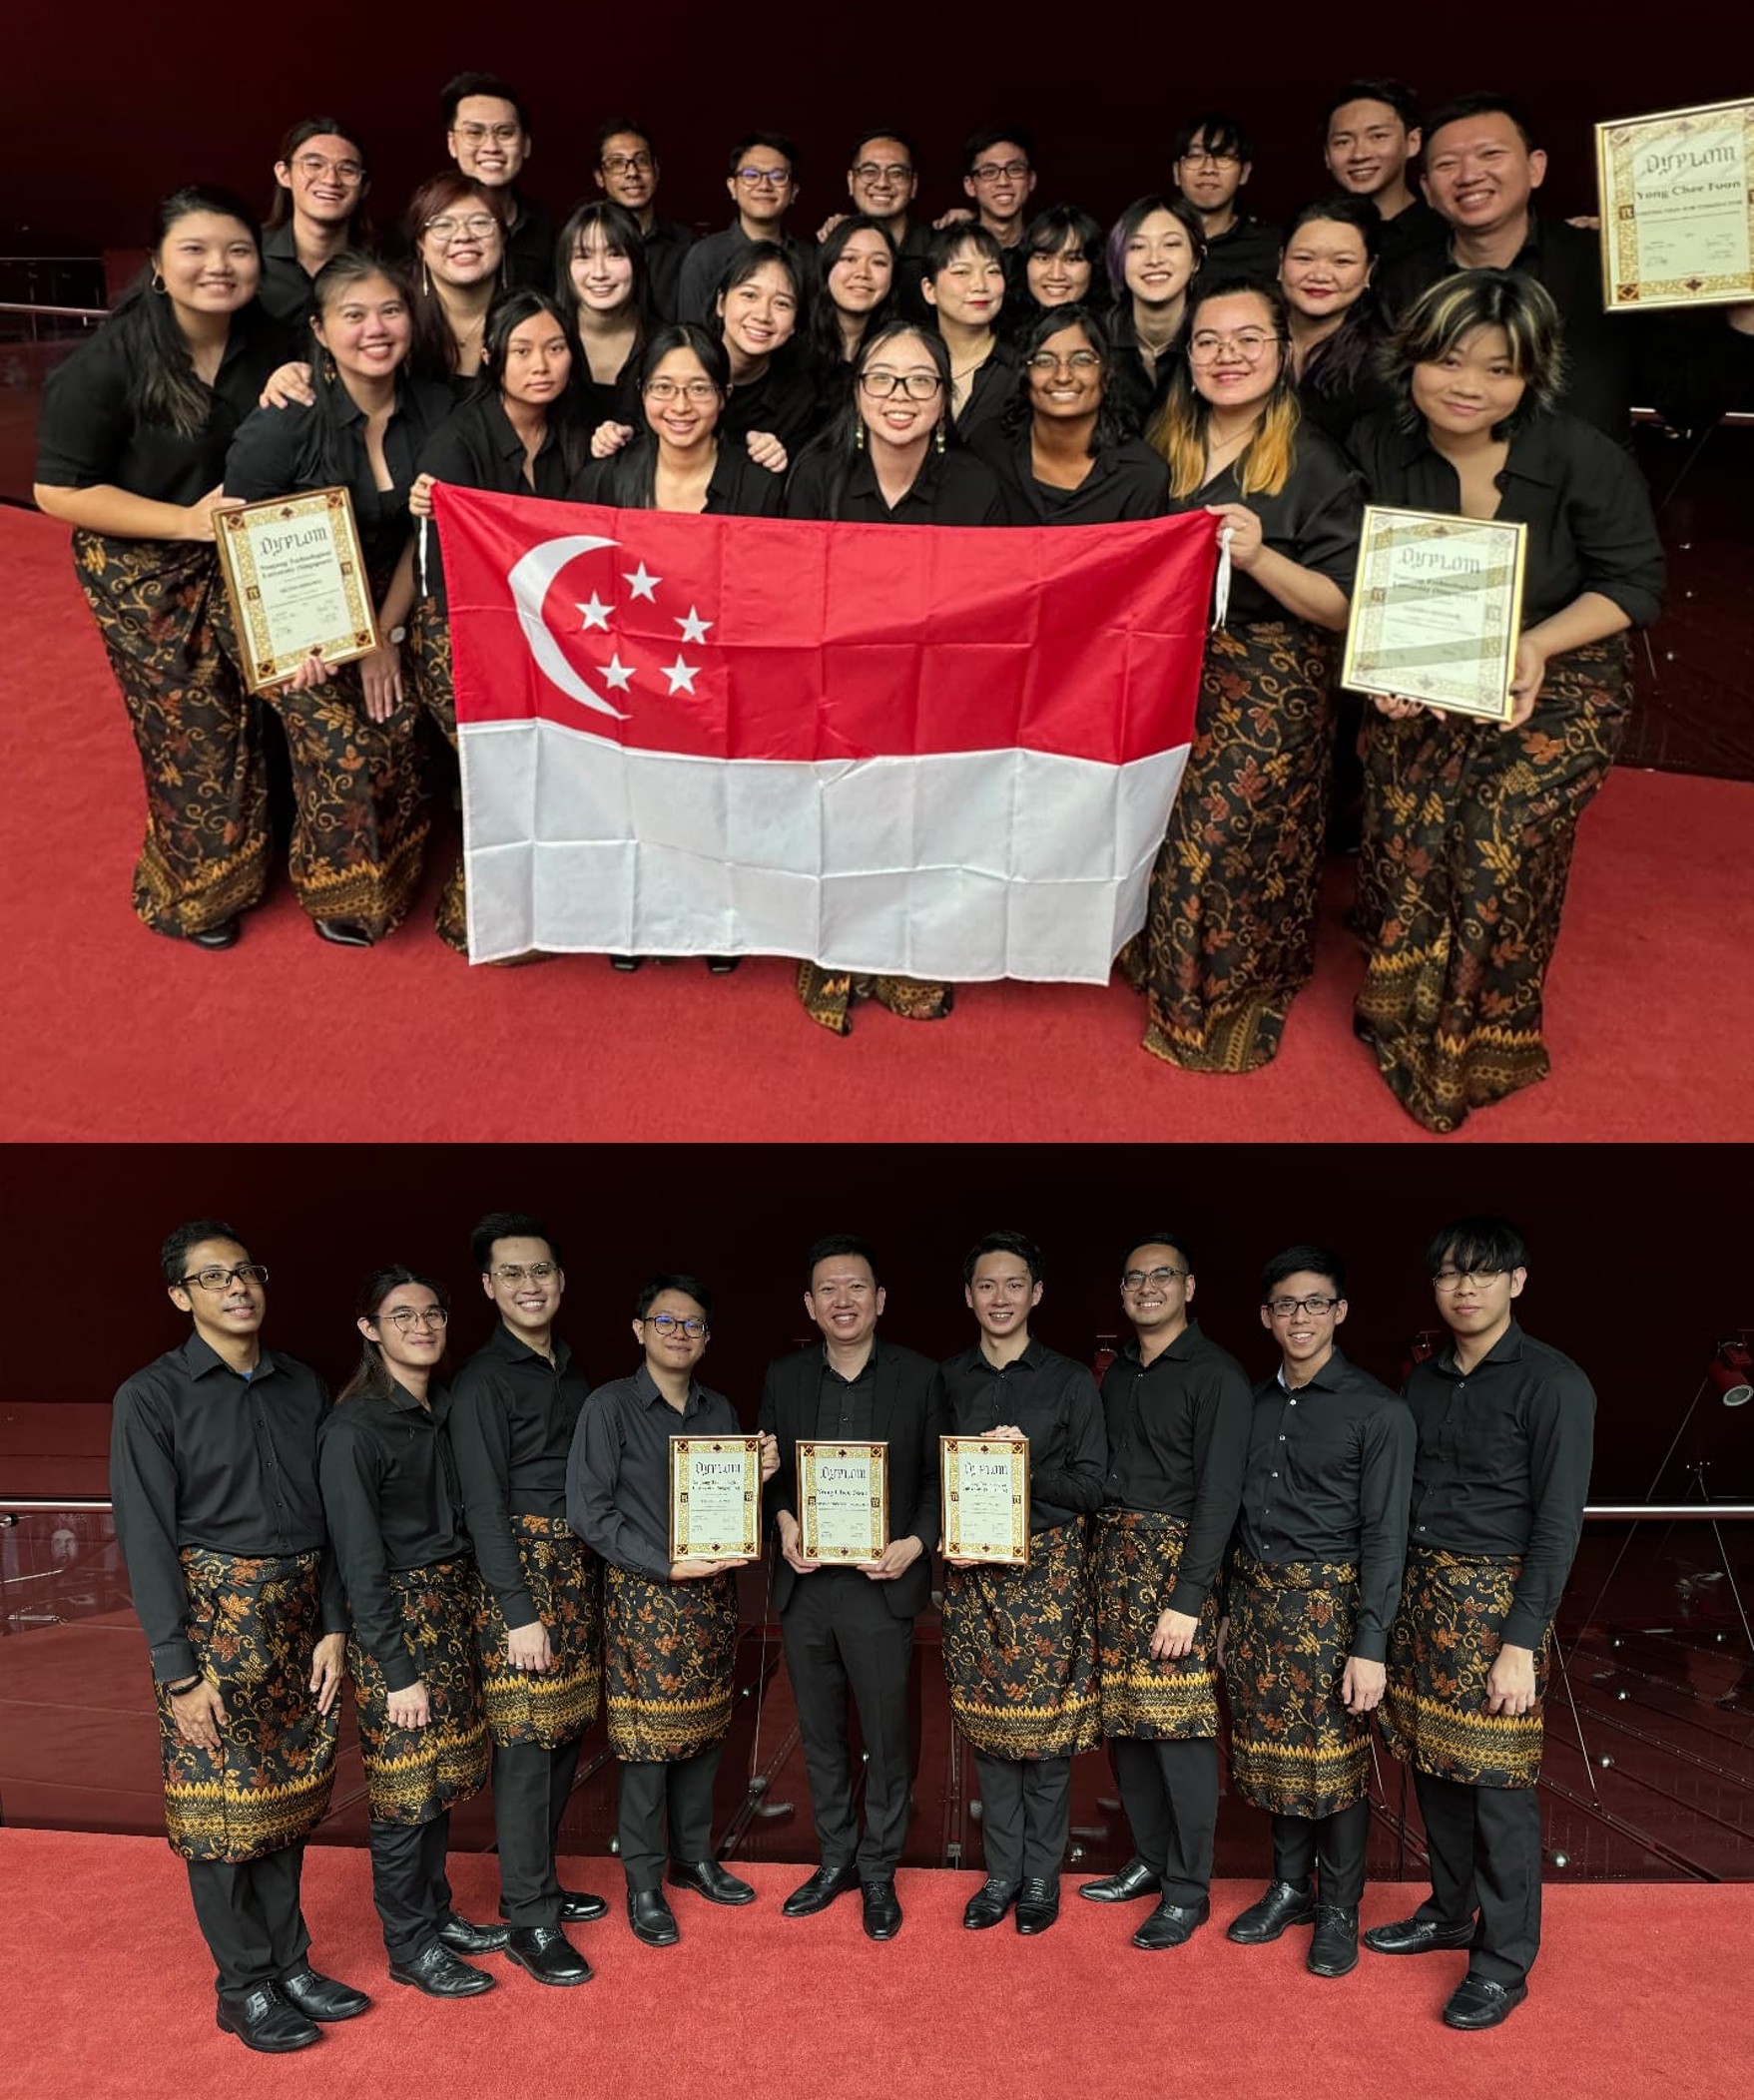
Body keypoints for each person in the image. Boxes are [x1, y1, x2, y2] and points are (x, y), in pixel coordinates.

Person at [1347, 269, 1666, 1131]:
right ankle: (1399, 1004)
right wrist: (1389, 671)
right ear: (1411, 357)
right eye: (1450, 360)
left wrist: (1533, 644)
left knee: (1493, 833)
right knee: (1407, 809)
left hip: (1559, 671)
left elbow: (1634, 583)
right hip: (1431, 673)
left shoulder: (1579, 454)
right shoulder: (1376, 444)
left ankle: (1478, 1040)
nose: (1468, 386)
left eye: (1498, 370)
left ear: (1531, 378)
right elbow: (1368, 576)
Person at [110, 1221, 364, 2053]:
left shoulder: (302, 1384)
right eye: (213, 1277)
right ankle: (243, 1985)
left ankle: (291, 1964)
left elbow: (332, 1519)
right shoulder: (150, 1396)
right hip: (212, 1628)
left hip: (300, 1623)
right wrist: (179, 1673)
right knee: (219, 1815)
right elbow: (145, 1535)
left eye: (247, 1271)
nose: (237, 1287)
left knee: (287, 1806)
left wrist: (335, 1624)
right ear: (180, 1296)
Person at [34, 185, 289, 950]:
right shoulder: (110, 361)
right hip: (143, 568)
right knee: (194, 729)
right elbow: (57, 489)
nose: (219, 267)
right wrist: (182, 523)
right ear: (156, 264)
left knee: (276, 699)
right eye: (196, 250)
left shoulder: (273, 343)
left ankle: (269, 843)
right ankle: (197, 889)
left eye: (238, 250)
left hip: (240, 552)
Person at [1368, 1217, 1594, 2031]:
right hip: (1423, 1604)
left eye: (1483, 1274)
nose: (1465, 1288)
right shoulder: (1422, 1382)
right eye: (1450, 1275)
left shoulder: (1554, 1384)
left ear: (1517, 1282)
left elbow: (1556, 1527)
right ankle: (1448, 1911)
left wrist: (1519, 1645)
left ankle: (1500, 1964)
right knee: (1433, 1769)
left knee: (1497, 1791)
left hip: (1498, 1609)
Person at [1135, 278, 1362, 1072]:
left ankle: (1231, 990)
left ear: (1283, 351)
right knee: (1151, 818)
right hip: (1164, 661)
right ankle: (1162, 957)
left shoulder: (1315, 461)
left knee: (1213, 836)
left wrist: (1261, 555)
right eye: (1207, 341)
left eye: (1246, 340)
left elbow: (1339, 609)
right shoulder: (1156, 442)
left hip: (1274, 666)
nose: (1226, 356)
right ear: (1187, 356)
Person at [786, 320, 1004, 1036]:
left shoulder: (977, 487)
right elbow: (787, 595)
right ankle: (835, 949)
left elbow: (1000, 613)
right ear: (857, 392)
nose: (899, 395)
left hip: (938, 693)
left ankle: (915, 946)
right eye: (881, 378)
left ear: (944, 398)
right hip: (837, 687)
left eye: (919, 380)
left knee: (928, 813)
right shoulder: (817, 476)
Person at [225, 251, 446, 946]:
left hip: (389, 596)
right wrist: (296, 643)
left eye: (390, 311)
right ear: (319, 331)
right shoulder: (285, 419)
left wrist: (383, 634)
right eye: (353, 316)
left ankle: (399, 867)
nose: (375, 330)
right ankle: (335, 888)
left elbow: (424, 535)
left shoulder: (437, 409)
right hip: (283, 611)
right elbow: (242, 542)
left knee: (401, 717)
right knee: (343, 741)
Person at [567, 1276, 781, 1946]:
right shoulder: (608, 1408)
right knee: (645, 1748)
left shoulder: (719, 1410)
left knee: (703, 1738)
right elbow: (589, 1513)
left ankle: (694, 1861)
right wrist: (664, 1563)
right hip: (646, 1599)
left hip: (710, 1598)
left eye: (692, 1324)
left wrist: (758, 1476)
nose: (679, 1333)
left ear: (707, 1338)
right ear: (638, 1330)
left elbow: (725, 1507)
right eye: (665, 1320)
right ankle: (642, 1881)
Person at [1221, 1247, 1414, 1980]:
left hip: (1334, 1614)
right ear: (1265, 1316)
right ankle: (1287, 1890)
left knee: (1335, 1770)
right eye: (1284, 1305)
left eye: (1314, 1303)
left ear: (1339, 1312)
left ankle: (1337, 1907)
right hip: (1259, 1609)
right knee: (1275, 1760)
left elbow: (1385, 1536)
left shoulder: (1377, 1410)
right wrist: (1232, 1612)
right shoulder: (1253, 1403)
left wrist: (1371, 1644)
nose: (1298, 1318)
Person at [317, 1269, 498, 1997]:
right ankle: (409, 1945)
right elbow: (359, 1568)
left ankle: (439, 1915)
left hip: (451, 1614)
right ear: (369, 1329)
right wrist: (396, 1671)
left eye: (432, 1313)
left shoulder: (444, 1409)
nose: (420, 1326)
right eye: (400, 1315)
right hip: (398, 1628)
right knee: (402, 1796)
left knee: (441, 1785)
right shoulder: (354, 1428)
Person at [759, 1235, 944, 1941]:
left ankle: (877, 1870)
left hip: (879, 1585)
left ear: (880, 1300)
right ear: (810, 1304)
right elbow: (768, 1469)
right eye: (828, 1289)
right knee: (820, 1735)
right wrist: (780, 1519)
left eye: (856, 1287)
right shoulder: (784, 1375)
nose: (843, 1300)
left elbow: (933, 1477)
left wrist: (915, 1543)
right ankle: (834, 1858)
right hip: (807, 1587)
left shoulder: (920, 1377)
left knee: (887, 1740)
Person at [1379, 92, 1754, 435]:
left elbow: (1685, 404)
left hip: (1587, 502)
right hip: (1447, 502)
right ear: (1428, 191)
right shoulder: (1401, 284)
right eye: (1447, 164)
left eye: (1490, 154)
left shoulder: (1606, 265)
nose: (1469, 175)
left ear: (1535, 168)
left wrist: (1744, 311)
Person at [446, 1213, 604, 1986]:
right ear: (488, 1287)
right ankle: (528, 1919)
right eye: (511, 1274)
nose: (529, 1285)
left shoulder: (570, 1369)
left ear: (561, 1279)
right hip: (520, 1589)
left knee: (563, 1739)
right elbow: (481, 1505)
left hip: (574, 1578)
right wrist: (518, 1614)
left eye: (539, 1270)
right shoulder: (482, 1379)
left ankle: (536, 1882)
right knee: (526, 1755)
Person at [408, 290, 590, 953]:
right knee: (516, 753)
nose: (540, 364)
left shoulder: (577, 426)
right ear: (491, 359)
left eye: (554, 347)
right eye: (521, 350)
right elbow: (438, 579)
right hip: (464, 627)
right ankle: (484, 914)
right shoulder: (457, 442)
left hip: (555, 627)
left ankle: (568, 896)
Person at [1082, 1235, 1250, 1950]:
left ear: (1188, 1287)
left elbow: (1219, 1498)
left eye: (1161, 1276)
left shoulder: (1216, 1375)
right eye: (1133, 1278)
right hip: (1112, 1565)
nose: (1146, 1288)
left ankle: (1187, 1890)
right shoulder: (1118, 1372)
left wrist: (1188, 1598)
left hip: (1177, 1570)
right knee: (1125, 1725)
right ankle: (1148, 1859)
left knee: (1179, 1734)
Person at [936, 1232, 1106, 1936]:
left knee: (1044, 1738)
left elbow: (1093, 1483)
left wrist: (1021, 1466)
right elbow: (929, 1479)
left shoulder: (1069, 1380)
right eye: (986, 1285)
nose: (999, 1298)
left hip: (1048, 1578)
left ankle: (1041, 1877)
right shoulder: (946, 1379)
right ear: (968, 1295)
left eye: (1014, 1285)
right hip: (972, 1580)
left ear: (1036, 1293)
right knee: (988, 1735)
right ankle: (999, 1873)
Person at [972, 306, 1170, 524]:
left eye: (1081, 360)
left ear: (1107, 373)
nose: (1063, 376)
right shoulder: (988, 448)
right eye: (1045, 361)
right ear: (1026, 374)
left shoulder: (1143, 475)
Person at [573, 323, 786, 517]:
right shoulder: (604, 479)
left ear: (724, 395)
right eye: (663, 387)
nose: (681, 406)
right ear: (642, 392)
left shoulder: (757, 487)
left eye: (699, 389)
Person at [1279, 196, 1392, 443]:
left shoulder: (1381, 365)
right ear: (1281, 262)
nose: (1319, 275)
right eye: (1304, 259)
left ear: (1369, 271)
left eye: (1342, 262)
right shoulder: (1249, 337)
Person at [676, 132, 809, 324]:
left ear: (794, 191)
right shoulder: (704, 257)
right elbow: (690, 335)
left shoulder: (811, 259)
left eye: (778, 176)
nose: (764, 185)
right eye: (751, 175)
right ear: (732, 187)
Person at [1103, 195, 1205, 433]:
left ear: (1196, 260)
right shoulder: (1096, 338)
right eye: (1137, 246)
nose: (1154, 259)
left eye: (1171, 244)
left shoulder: (1216, 339)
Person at [1321, 78, 1443, 273]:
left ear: (1413, 142)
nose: (1359, 154)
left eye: (1378, 136)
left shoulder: (1443, 233)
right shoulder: (1313, 232)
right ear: (1327, 155)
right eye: (1343, 142)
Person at [442, 71, 550, 289]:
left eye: (505, 133)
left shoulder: (551, 231)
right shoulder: (424, 228)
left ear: (526, 145)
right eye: (474, 133)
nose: (491, 147)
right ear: (453, 144)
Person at [261, 118, 370, 326]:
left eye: (347, 170)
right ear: (284, 174)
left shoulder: (381, 266)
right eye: (314, 165)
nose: (331, 180)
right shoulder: (248, 255)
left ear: (364, 188)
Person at [556, 200, 652, 434]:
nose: (599, 273)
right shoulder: (546, 337)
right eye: (583, 257)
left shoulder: (665, 344)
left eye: (615, 254)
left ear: (637, 261)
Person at [405, 174, 506, 390]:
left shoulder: (533, 319)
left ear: (503, 238)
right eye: (443, 226)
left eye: (480, 223)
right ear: (420, 244)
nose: (463, 236)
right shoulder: (397, 318)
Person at [826, 129, 934, 322]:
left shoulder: (940, 250)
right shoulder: (830, 248)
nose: (882, 183)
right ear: (851, 181)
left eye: (896, 173)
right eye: (869, 172)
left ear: (914, 184)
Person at [921, 223, 1015, 441]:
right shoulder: (907, 364)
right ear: (930, 290)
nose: (980, 285)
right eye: (962, 272)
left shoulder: (1020, 368)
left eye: (992, 271)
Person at [593, 118, 692, 321]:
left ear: (656, 171)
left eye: (641, 161)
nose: (632, 172)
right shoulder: (583, 244)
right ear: (600, 177)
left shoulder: (686, 246)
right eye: (617, 163)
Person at [1172, 114, 1279, 285]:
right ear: (1177, 172)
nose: (1208, 169)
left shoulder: (1269, 247)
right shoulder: (1147, 241)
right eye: (1195, 156)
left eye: (1223, 157)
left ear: (1244, 172)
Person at [809, 215, 898, 404]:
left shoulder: (901, 352)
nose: (862, 273)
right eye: (849, 258)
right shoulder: (793, 349)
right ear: (827, 265)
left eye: (878, 262)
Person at [960, 127, 1037, 298]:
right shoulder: (952, 248)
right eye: (989, 172)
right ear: (970, 185)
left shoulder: (1045, 248)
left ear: (1031, 180)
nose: (1003, 181)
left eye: (1015, 169)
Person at [1012, 204, 1105, 334]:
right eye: (1043, 258)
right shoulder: (1003, 336)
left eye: (1071, 260)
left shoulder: (1114, 335)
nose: (1056, 275)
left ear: (1094, 266)